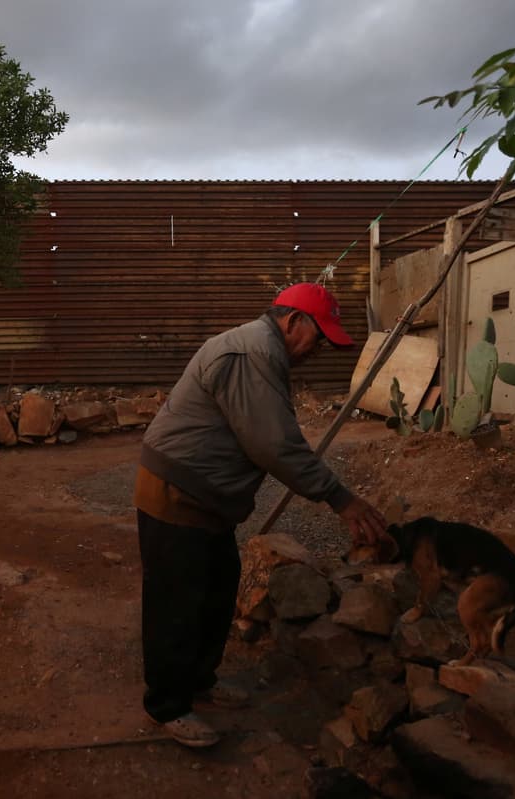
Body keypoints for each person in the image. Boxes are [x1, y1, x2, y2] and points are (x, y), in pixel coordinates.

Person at [133, 282, 388, 748]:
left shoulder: (263, 350)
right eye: (320, 337)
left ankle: (200, 682)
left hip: (205, 497)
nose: (320, 350)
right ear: (294, 322)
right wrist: (340, 498)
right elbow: (274, 445)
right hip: (178, 492)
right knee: (177, 603)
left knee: (217, 590)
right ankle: (167, 705)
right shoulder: (252, 352)